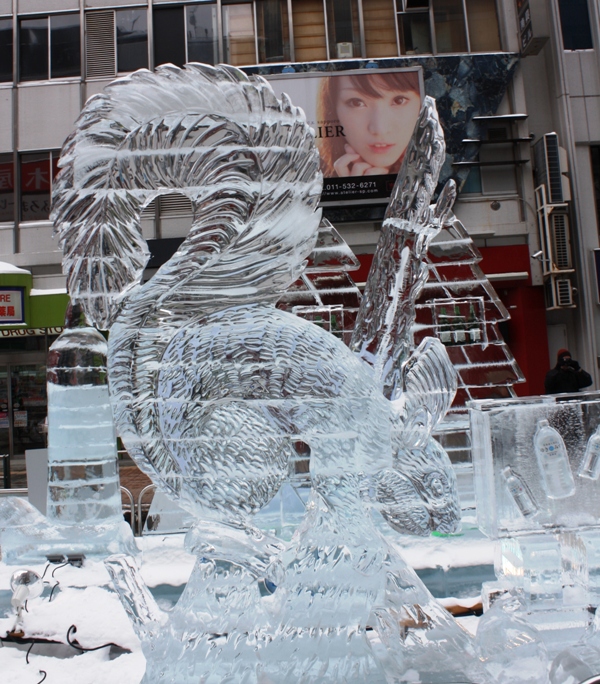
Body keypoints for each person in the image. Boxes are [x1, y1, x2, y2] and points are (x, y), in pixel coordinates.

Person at [317, 71, 421, 178]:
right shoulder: (309, 179)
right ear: (334, 109)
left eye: (399, 101)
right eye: (356, 103)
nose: (380, 129)